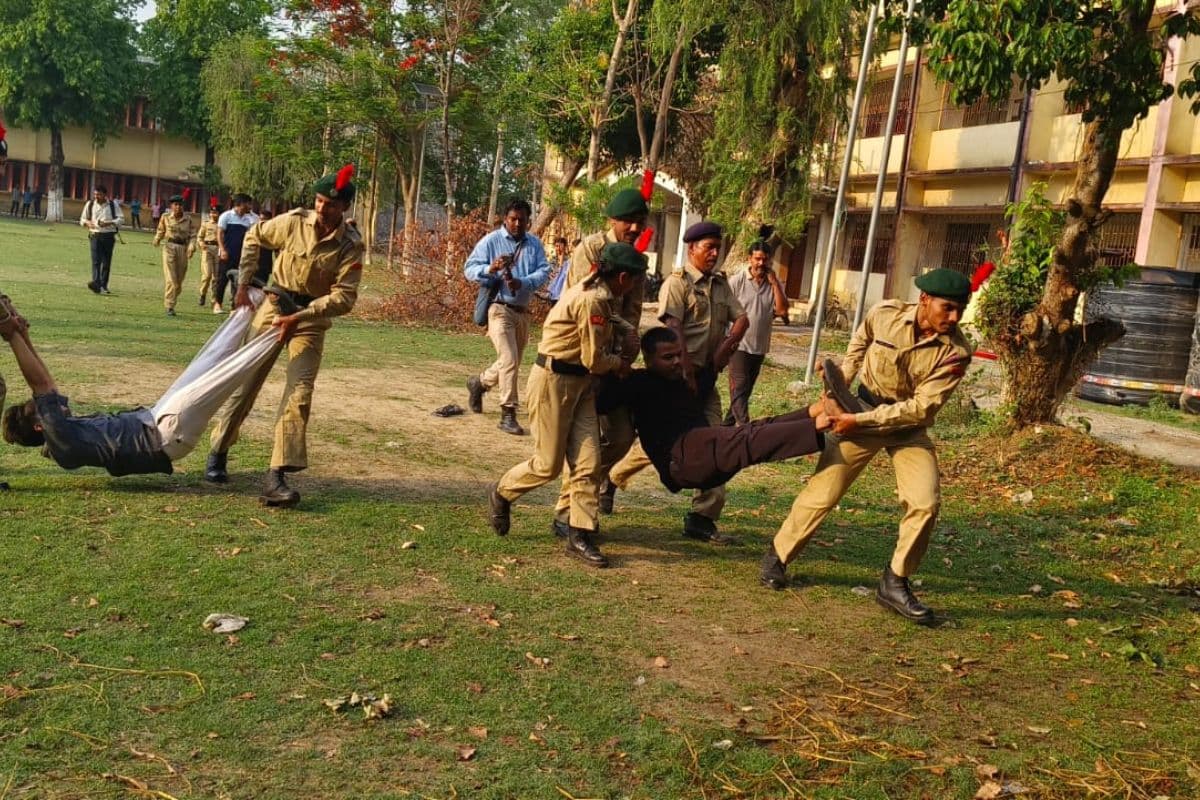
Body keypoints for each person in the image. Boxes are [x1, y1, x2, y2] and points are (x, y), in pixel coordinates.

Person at [760, 268, 975, 626]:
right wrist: (843, 374)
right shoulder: (886, 313)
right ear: (924, 300)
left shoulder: (956, 353)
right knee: (823, 491)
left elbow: (921, 408)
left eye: (959, 310)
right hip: (861, 407)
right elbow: (862, 337)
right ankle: (777, 557)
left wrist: (856, 422)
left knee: (925, 502)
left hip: (906, 427)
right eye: (947, 308)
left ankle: (894, 582)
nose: (954, 318)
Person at [202, 166, 365, 508]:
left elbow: (344, 298)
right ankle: (218, 449)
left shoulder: (350, 246)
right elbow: (255, 236)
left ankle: (276, 475)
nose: (322, 209)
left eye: (331, 205)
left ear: (344, 208)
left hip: (309, 320)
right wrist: (244, 283)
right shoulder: (293, 222)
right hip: (274, 309)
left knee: (299, 394)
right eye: (319, 201)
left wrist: (300, 317)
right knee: (247, 383)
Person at [0, 292, 279, 477]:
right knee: (223, 376)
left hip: (158, 419)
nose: (53, 403)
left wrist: (22, 333)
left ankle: (250, 304)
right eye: (39, 407)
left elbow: (46, 383)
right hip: (165, 435)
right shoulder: (61, 439)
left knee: (207, 361)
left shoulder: (61, 429)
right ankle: (281, 329)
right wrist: (11, 336)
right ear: (40, 425)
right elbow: (41, 383)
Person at [487, 242, 645, 568]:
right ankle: (502, 493)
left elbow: (609, 327)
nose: (634, 287)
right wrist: (622, 364)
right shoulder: (593, 299)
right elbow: (594, 358)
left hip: (580, 385)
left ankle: (579, 534)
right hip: (554, 382)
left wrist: (630, 332)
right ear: (623, 277)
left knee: (588, 463)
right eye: (634, 280)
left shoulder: (599, 291)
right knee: (547, 465)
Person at [607, 221, 749, 544]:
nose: (714, 253)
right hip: (678, 380)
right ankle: (612, 479)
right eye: (708, 247)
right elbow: (673, 330)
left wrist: (727, 347)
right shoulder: (677, 284)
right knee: (657, 447)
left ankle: (701, 518)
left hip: (707, 379)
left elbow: (741, 317)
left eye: (718, 247)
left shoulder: (721, 285)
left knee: (717, 445)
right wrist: (685, 372)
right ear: (692, 249)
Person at [598, 327, 830, 494]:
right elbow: (604, 401)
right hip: (681, 461)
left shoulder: (686, 381)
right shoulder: (638, 383)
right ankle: (822, 422)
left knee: (756, 427)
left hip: (704, 456)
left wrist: (721, 356)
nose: (677, 361)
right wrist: (624, 358)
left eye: (679, 355)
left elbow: (710, 373)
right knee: (742, 437)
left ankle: (817, 410)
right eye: (668, 357)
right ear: (648, 359)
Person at [554, 188, 649, 516]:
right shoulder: (592, 249)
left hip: (613, 362)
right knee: (583, 442)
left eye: (640, 222)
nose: (634, 229)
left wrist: (627, 350)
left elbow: (633, 310)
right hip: (583, 358)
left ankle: (593, 484)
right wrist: (618, 340)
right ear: (611, 220)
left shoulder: (637, 260)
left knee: (621, 436)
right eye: (628, 221)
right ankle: (568, 514)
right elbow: (588, 303)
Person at [464, 197, 551, 435]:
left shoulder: (534, 244)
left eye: (522, 220)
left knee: (510, 362)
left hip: (522, 312)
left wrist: (523, 282)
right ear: (505, 219)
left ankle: (479, 383)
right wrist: (489, 269)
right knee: (510, 360)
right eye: (513, 219)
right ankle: (508, 413)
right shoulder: (491, 241)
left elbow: (544, 271)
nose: (517, 224)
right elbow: (469, 269)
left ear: (528, 221)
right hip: (498, 309)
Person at [724, 234, 790, 425]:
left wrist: (775, 283)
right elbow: (724, 308)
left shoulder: (774, 284)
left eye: (764, 259)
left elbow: (782, 310)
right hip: (738, 345)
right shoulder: (737, 281)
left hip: (759, 347)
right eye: (757, 258)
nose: (761, 263)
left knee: (745, 390)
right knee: (740, 386)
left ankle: (725, 427)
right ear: (749, 259)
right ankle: (745, 429)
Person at [153, 193, 197, 317]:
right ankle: (169, 306)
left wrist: (192, 245)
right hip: (169, 248)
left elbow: (193, 235)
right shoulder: (165, 217)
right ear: (171, 206)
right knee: (171, 280)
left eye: (180, 205)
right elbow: (161, 230)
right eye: (175, 205)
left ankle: (172, 298)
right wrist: (157, 238)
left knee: (179, 282)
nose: (178, 207)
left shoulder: (188, 219)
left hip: (183, 249)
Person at [216, 194, 258, 313]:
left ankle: (234, 306)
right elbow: (219, 234)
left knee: (238, 281)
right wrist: (222, 250)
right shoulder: (226, 216)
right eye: (248, 204)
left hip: (240, 255)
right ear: (241, 204)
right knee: (222, 280)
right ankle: (217, 303)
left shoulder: (247, 220)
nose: (250, 207)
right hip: (227, 254)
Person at [79, 185, 123, 294]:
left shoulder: (113, 205)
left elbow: (121, 219)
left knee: (106, 262)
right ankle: (96, 283)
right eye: (95, 194)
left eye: (99, 194)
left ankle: (104, 285)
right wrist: (87, 223)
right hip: (95, 235)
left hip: (108, 235)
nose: (96, 197)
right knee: (96, 261)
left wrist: (109, 222)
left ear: (105, 195)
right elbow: (82, 219)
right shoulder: (90, 204)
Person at [196, 204, 221, 308]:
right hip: (207, 249)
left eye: (215, 212)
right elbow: (200, 237)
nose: (213, 214)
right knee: (207, 275)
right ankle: (203, 293)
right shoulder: (205, 224)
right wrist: (202, 245)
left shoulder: (222, 224)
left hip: (218, 250)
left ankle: (214, 299)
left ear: (219, 214)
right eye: (211, 212)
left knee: (216, 277)